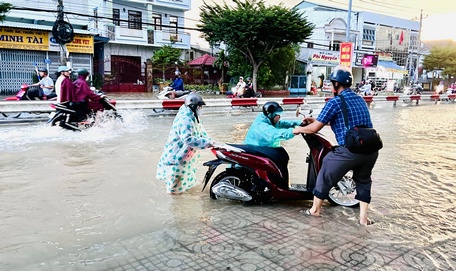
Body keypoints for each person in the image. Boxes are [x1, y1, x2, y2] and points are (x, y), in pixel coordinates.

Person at [293, 65, 379, 226]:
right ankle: (363, 219)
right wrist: (316, 121)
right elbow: (349, 124)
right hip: (371, 149)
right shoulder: (359, 99)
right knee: (364, 181)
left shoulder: (335, 102)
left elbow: (314, 129)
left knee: (326, 167)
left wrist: (299, 129)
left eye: (332, 83)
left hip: (351, 150)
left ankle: (315, 210)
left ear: (336, 85)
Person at [156, 93, 215, 194]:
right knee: (173, 190)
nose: (200, 108)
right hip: (176, 158)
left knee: (184, 186)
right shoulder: (185, 119)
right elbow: (188, 139)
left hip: (183, 157)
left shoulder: (192, 117)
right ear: (193, 106)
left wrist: (212, 142)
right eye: (199, 106)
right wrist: (208, 143)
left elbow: (201, 132)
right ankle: (176, 208)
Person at [243, 101, 304, 183]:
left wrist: (299, 123)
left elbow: (282, 124)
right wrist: (293, 131)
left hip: (263, 148)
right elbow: (275, 134)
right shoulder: (262, 125)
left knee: (281, 154)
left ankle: (279, 183)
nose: (279, 117)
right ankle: (280, 185)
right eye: (277, 114)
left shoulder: (268, 119)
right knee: (281, 155)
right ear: (270, 115)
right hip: (256, 149)